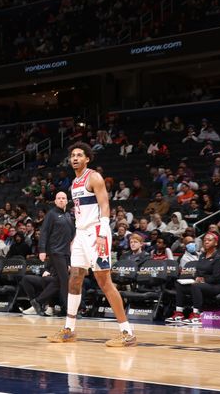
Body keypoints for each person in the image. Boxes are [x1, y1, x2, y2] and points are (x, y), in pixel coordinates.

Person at [48, 143, 136, 347]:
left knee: (104, 281)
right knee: (75, 278)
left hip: (97, 232)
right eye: (72, 155)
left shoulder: (93, 177)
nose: (75, 158)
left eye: (79, 155)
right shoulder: (74, 183)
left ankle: (127, 332)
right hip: (81, 234)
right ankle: (69, 329)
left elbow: (105, 205)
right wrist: (75, 236)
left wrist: (103, 233)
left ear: (87, 159)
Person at [165, 232, 220, 326]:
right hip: (201, 283)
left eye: (209, 240)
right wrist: (197, 277)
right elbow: (198, 270)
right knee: (179, 285)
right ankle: (179, 313)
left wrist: (203, 280)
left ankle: (196, 315)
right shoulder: (202, 256)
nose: (206, 242)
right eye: (205, 240)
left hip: (217, 285)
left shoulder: (219, 257)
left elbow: (217, 277)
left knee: (195, 286)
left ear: (216, 243)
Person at [38, 191, 73, 315]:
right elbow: (44, 232)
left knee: (59, 280)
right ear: (55, 201)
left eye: (64, 198)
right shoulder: (51, 214)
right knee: (65, 280)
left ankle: (38, 301)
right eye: (59, 198)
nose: (61, 200)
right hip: (55, 251)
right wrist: (42, 250)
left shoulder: (69, 215)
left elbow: (72, 235)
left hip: (65, 253)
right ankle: (68, 309)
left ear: (67, 201)